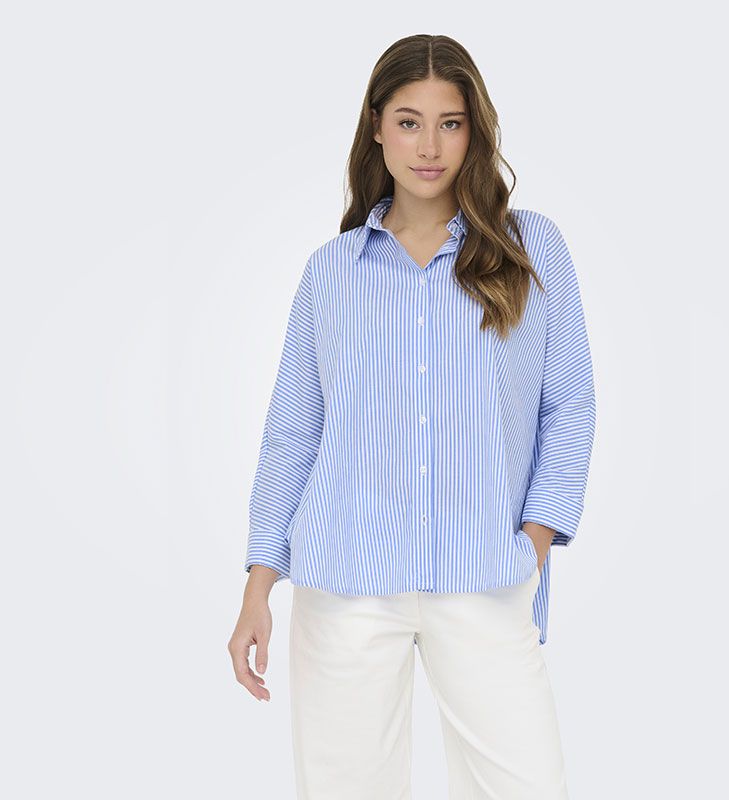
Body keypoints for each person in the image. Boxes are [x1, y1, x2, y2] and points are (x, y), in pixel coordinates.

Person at [228, 33, 596, 800]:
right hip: (346, 583)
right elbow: (294, 434)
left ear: (474, 130)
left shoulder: (531, 251)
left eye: (450, 123)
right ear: (376, 127)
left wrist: (532, 542)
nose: (429, 147)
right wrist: (259, 585)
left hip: (485, 575)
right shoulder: (332, 273)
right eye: (408, 122)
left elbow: (568, 407)